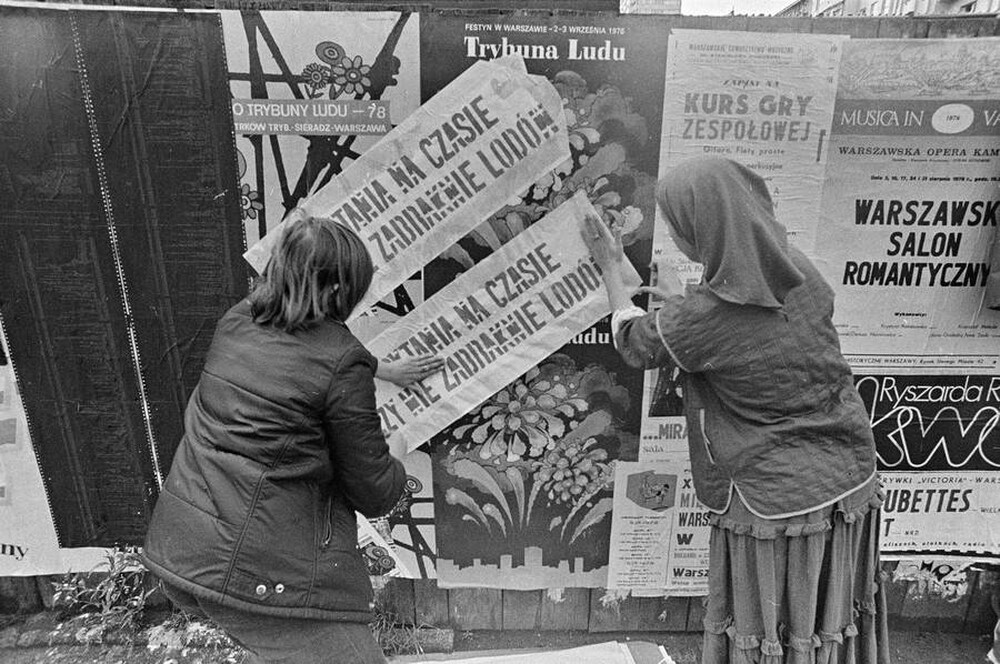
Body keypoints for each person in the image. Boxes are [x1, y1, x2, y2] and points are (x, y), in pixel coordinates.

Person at [582, 156, 888, 664]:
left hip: (776, 500)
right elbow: (746, 330)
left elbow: (637, 342)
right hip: (848, 477)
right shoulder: (798, 269)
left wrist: (611, 267)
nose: (674, 236)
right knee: (826, 617)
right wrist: (685, 305)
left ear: (699, 229)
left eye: (676, 225)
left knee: (771, 626)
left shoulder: (704, 316)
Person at [142, 214, 442, 664]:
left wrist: (381, 369)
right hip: (256, 572)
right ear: (337, 291)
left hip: (186, 550)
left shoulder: (239, 319)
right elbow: (374, 492)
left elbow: (306, 353)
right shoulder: (343, 365)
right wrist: (394, 456)